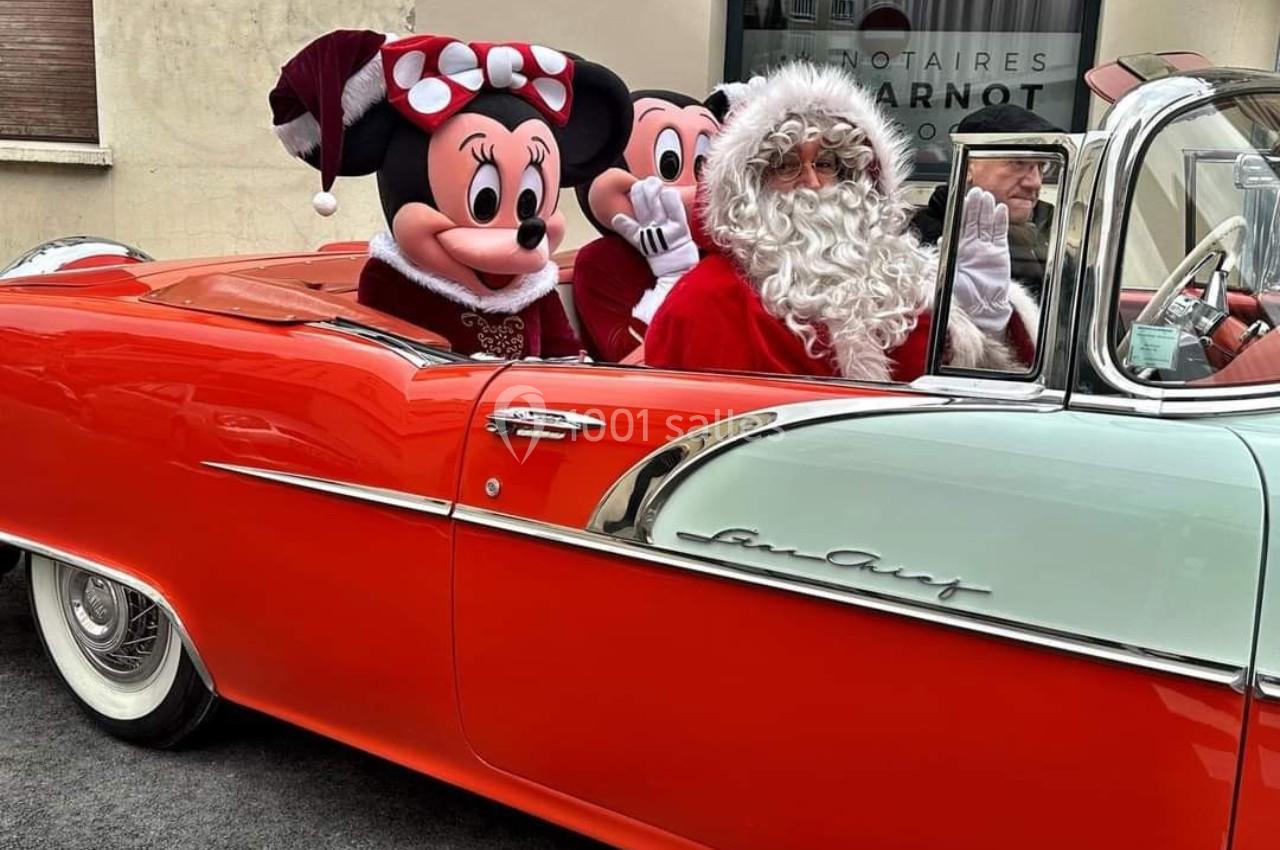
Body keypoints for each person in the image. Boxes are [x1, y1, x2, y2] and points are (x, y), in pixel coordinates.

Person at [645, 63, 1038, 382]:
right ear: (751, 185)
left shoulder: (893, 279)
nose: (813, 182)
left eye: (827, 163)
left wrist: (977, 324)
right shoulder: (707, 300)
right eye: (785, 165)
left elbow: (957, 403)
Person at [269, 30, 633, 358]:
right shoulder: (394, 281)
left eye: (528, 204)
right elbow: (391, 367)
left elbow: (563, 354)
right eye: (485, 202)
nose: (519, 234)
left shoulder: (534, 288)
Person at [911, 104, 1060, 299]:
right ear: (968, 166)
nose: (1035, 182)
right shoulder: (925, 247)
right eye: (1018, 163)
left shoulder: (1053, 232)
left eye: (1041, 166)